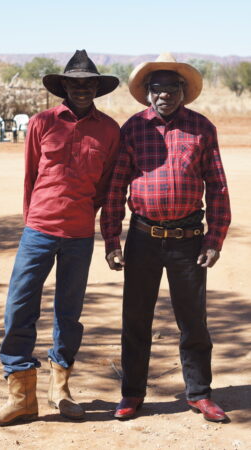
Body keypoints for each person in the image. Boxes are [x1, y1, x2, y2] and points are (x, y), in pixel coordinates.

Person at [0, 50, 120, 426]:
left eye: (88, 82)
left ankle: (60, 389)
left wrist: (85, 220)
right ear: (64, 86)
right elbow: (30, 177)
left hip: (79, 235)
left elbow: (106, 187)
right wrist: (35, 220)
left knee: (69, 314)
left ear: (97, 87)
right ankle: (21, 396)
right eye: (74, 83)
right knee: (19, 307)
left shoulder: (110, 130)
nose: (82, 88)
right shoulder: (42, 123)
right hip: (38, 231)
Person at [101, 53, 231, 422]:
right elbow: (115, 189)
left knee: (193, 320)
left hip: (189, 239)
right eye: (155, 90)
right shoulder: (132, 129)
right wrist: (112, 240)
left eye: (171, 89)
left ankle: (200, 393)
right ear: (146, 94)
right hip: (143, 237)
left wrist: (214, 239)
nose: (163, 96)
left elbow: (218, 187)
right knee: (136, 318)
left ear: (183, 92)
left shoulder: (202, 129)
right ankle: (132, 394)